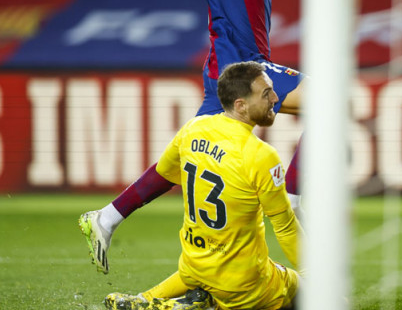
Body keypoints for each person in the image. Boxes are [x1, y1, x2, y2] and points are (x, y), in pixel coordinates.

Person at [79, 0, 306, 275]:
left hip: (231, 72)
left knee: (185, 156)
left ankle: (107, 217)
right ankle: (293, 196)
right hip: (240, 68)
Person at [104, 61, 302, 310]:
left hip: (195, 266)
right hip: (245, 284)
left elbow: (164, 173)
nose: (276, 98)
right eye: (266, 94)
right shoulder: (262, 155)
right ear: (240, 105)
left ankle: (147, 299)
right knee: (307, 290)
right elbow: (285, 228)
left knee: (203, 274)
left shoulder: (192, 129)